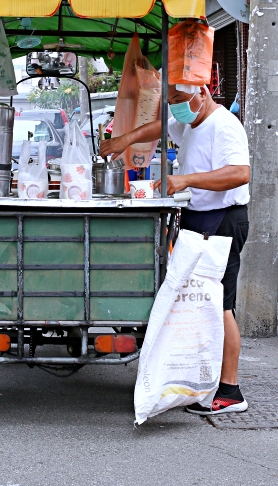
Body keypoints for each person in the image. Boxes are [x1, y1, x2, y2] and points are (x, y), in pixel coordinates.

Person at [99, 83, 250, 415]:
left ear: (204, 92)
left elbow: (240, 173)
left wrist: (186, 180)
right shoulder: (191, 121)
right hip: (200, 218)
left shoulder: (224, 125)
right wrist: (125, 139)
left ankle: (231, 390)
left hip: (223, 221)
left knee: (220, 304)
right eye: (172, 102)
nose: (177, 108)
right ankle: (201, 381)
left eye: (181, 100)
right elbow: (161, 125)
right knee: (199, 303)